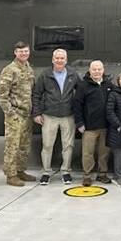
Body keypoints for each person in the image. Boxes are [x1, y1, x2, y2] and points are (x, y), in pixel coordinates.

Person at [31, 48, 80, 186]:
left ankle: (65, 172)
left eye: (62, 58)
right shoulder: (45, 75)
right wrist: (36, 113)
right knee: (47, 145)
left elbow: (81, 92)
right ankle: (46, 172)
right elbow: (36, 94)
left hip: (68, 116)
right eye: (57, 58)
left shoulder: (72, 74)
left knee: (68, 145)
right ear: (53, 59)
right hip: (49, 116)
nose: (59, 60)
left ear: (66, 60)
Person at [0, 41, 35, 187]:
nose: (24, 53)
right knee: (12, 145)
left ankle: (20, 170)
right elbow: (1, 94)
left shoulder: (28, 68)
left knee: (24, 145)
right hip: (15, 115)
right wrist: (10, 113)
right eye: (21, 51)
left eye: (26, 51)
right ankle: (11, 175)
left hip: (26, 114)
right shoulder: (9, 70)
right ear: (15, 53)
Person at [72, 60, 115, 186]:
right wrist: (79, 123)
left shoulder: (108, 84)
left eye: (99, 69)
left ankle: (102, 174)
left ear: (103, 70)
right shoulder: (83, 85)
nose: (97, 71)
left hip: (105, 126)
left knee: (104, 152)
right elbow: (77, 105)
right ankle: (87, 175)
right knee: (87, 153)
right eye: (94, 69)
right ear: (89, 71)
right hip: (89, 127)